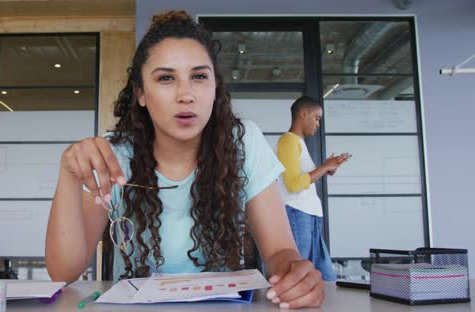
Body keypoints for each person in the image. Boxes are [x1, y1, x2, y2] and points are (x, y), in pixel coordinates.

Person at [45, 11, 324, 309]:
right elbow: (64, 272)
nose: (185, 94)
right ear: (140, 93)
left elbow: (280, 250)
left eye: (199, 76)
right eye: (166, 78)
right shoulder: (113, 155)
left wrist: (295, 273)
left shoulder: (244, 142)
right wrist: (68, 171)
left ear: (215, 87)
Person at [276, 96, 350, 281]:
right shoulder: (288, 141)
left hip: (309, 215)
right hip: (297, 213)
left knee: (325, 275)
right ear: (303, 114)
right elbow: (293, 184)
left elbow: (303, 179)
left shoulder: (298, 143)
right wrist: (324, 167)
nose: (318, 124)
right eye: (316, 118)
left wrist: (325, 168)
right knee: (301, 275)